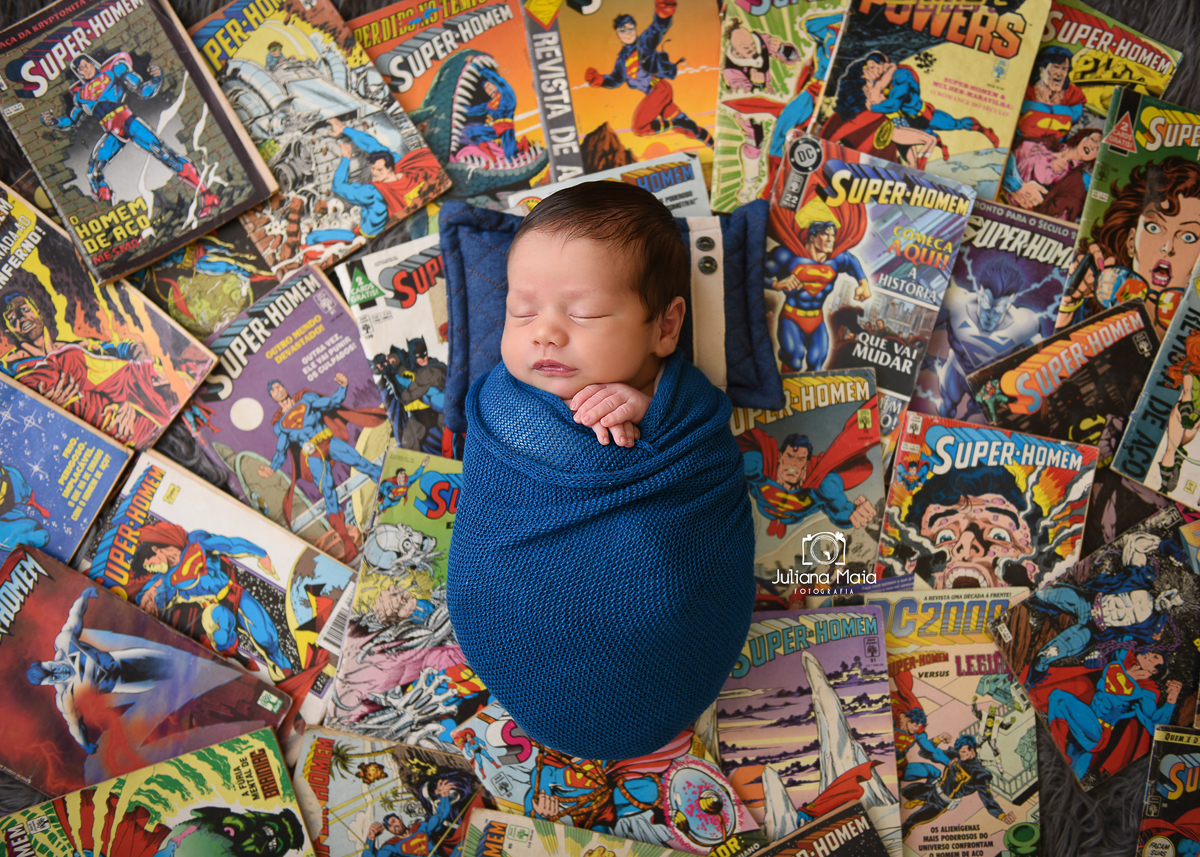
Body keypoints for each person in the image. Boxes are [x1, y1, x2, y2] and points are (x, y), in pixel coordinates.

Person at [447, 182, 754, 760]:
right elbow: (494, 496)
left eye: (583, 313)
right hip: (516, 608)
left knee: (669, 591)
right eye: (521, 311)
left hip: (665, 632)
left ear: (665, 327)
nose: (544, 331)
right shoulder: (504, 406)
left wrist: (651, 411)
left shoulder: (686, 410)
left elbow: (703, 461)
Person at [41, 53, 220, 215]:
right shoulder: (80, 96)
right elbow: (71, 120)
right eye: (80, 69)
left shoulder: (113, 72)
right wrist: (53, 122)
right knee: (93, 171)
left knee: (164, 153)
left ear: (92, 63)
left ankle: (207, 194)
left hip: (128, 122)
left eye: (86, 65)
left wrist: (156, 79)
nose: (84, 70)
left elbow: (142, 90)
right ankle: (108, 212)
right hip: (113, 131)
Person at [583, 0, 713, 147]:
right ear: (618, 33)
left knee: (639, 127)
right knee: (686, 129)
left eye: (630, 29)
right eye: (623, 30)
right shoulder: (621, 62)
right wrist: (601, 80)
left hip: (659, 88)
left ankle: (676, 123)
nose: (628, 33)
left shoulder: (644, 44)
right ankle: (714, 145)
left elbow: (655, 31)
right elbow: (615, 79)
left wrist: (663, 16)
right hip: (653, 95)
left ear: (635, 29)